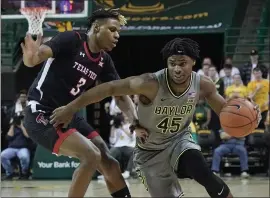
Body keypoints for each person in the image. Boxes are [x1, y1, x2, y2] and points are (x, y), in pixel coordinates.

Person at [50, 38, 260, 198]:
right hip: (150, 153)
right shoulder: (150, 83)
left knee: (202, 171)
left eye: (183, 63)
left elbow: (228, 114)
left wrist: (250, 117)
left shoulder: (203, 84)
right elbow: (110, 87)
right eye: (172, 63)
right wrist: (71, 107)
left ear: (193, 62)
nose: (177, 68)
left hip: (180, 141)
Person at [21, 8, 139, 198]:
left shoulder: (104, 61)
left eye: (118, 32)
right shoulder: (72, 39)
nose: (117, 35)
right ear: (97, 27)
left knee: (110, 163)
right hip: (40, 112)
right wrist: (30, 57)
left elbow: (121, 95)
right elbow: (36, 57)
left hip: (68, 114)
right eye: (112, 30)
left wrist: (135, 121)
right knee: (91, 156)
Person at [1, 115, 30, 180]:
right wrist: (12, 125)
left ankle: (24, 173)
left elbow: (28, 136)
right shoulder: (12, 128)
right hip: (12, 148)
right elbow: (9, 137)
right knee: (2, 156)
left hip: (22, 148)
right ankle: (10, 173)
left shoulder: (25, 127)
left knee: (24, 157)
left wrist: (22, 127)